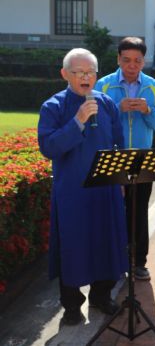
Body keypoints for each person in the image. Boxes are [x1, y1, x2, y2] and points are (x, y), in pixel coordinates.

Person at [38, 48, 127, 325]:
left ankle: (101, 296)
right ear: (65, 74)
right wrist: (78, 121)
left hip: (105, 188)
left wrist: (121, 178)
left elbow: (118, 142)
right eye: (78, 72)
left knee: (106, 242)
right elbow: (49, 146)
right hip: (72, 192)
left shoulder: (106, 103)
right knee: (73, 247)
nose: (85, 77)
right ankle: (72, 305)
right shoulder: (53, 106)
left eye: (90, 72)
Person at [95, 37, 155, 282]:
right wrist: (117, 108)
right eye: (126, 60)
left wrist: (147, 110)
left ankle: (139, 262)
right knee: (112, 211)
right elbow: (95, 124)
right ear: (118, 59)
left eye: (137, 61)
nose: (131, 65)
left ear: (143, 61)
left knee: (139, 212)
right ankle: (112, 261)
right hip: (112, 156)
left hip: (141, 158)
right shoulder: (103, 85)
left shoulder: (154, 86)